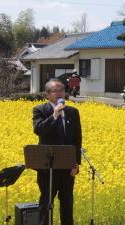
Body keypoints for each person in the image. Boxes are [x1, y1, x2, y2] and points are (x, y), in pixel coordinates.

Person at [32, 79, 82, 225]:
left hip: (67, 166)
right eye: (56, 90)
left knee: (67, 202)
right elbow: (38, 129)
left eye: (62, 90)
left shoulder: (73, 112)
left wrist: (76, 163)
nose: (60, 92)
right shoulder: (40, 110)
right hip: (47, 167)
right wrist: (54, 115)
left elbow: (77, 139)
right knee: (46, 202)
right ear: (47, 94)